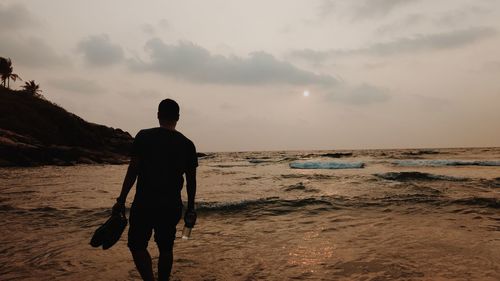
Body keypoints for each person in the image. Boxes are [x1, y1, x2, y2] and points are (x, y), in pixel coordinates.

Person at [112, 99, 198, 281]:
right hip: (171, 204)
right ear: (178, 118)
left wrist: (121, 200)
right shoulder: (187, 144)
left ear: (158, 115)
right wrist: (191, 207)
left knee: (136, 245)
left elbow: (133, 170)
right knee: (166, 248)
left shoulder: (144, 136)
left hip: (145, 202)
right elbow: (191, 181)